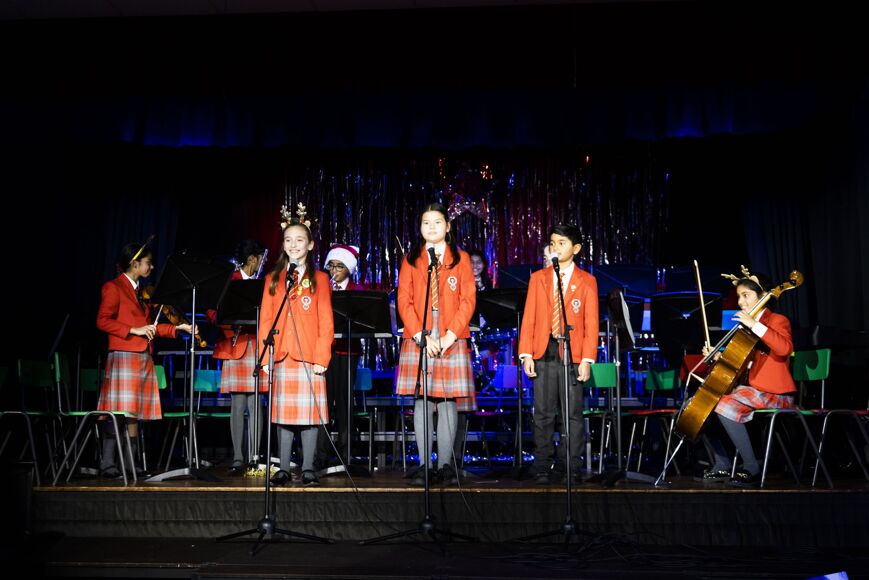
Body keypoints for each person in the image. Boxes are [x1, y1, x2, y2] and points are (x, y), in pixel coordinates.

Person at [96, 240, 194, 478]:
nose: (151, 267)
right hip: (124, 355)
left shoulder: (142, 292)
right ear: (135, 263)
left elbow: (151, 328)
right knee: (118, 411)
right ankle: (108, 463)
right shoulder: (114, 287)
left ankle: (130, 463)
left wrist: (177, 328)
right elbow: (102, 321)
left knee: (134, 414)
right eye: (148, 263)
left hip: (142, 357)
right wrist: (134, 329)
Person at [395, 203, 476, 486]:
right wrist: (420, 335)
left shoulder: (460, 258)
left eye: (437, 222)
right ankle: (424, 464)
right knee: (423, 398)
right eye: (426, 222)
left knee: (447, 399)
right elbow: (404, 300)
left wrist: (450, 336)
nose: (431, 227)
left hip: (451, 333)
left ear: (448, 226)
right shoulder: (411, 259)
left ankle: (444, 465)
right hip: (420, 332)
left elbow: (468, 299)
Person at [697, 268, 796, 487]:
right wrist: (719, 357)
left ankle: (751, 465)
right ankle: (722, 463)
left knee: (723, 404)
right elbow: (741, 366)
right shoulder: (747, 329)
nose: (740, 302)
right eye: (739, 297)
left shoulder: (777, 320)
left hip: (775, 394)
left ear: (762, 296)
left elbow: (784, 349)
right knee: (698, 407)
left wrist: (755, 325)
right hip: (752, 392)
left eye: (745, 295)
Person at [259, 204, 333, 487]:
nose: (293, 245)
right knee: (283, 415)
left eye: (299, 239)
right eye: (288, 240)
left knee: (309, 415)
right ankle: (283, 468)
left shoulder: (320, 279)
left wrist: (321, 357)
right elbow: (266, 319)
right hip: (281, 354)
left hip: (309, 356)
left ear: (310, 244)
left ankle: (309, 467)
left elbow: (326, 321)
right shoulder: (273, 279)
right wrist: (265, 356)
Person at [518, 224, 599, 485]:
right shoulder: (538, 278)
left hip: (572, 353)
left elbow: (591, 323)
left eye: (562, 243)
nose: (556, 247)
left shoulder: (586, 281)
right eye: (553, 243)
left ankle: (570, 465)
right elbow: (529, 318)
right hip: (544, 351)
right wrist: (526, 354)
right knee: (543, 412)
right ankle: (542, 464)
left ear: (576, 248)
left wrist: (587, 359)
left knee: (571, 413)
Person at [209, 239, 266, 475]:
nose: (262, 264)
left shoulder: (262, 284)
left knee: (256, 403)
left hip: (256, 345)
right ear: (252, 259)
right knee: (238, 403)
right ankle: (238, 457)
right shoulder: (229, 280)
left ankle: (254, 456)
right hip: (234, 344)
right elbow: (212, 311)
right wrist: (229, 327)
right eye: (260, 259)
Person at [315, 243, 364, 470]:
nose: (334, 270)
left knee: (344, 403)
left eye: (339, 266)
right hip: (325, 351)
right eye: (331, 266)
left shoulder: (358, 290)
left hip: (347, 352)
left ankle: (346, 455)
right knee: (323, 403)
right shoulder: (321, 288)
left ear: (349, 269)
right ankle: (321, 455)